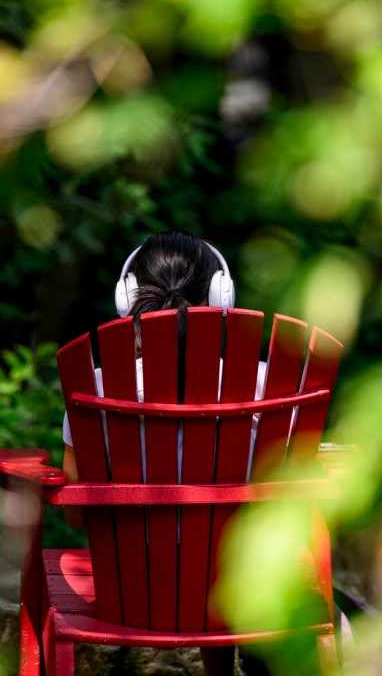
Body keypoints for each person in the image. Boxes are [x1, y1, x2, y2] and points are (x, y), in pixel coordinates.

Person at [60, 231, 265, 676]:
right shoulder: (266, 386)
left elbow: (76, 516)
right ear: (220, 296)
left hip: (131, 589)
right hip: (241, 589)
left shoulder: (92, 390)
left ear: (127, 298)